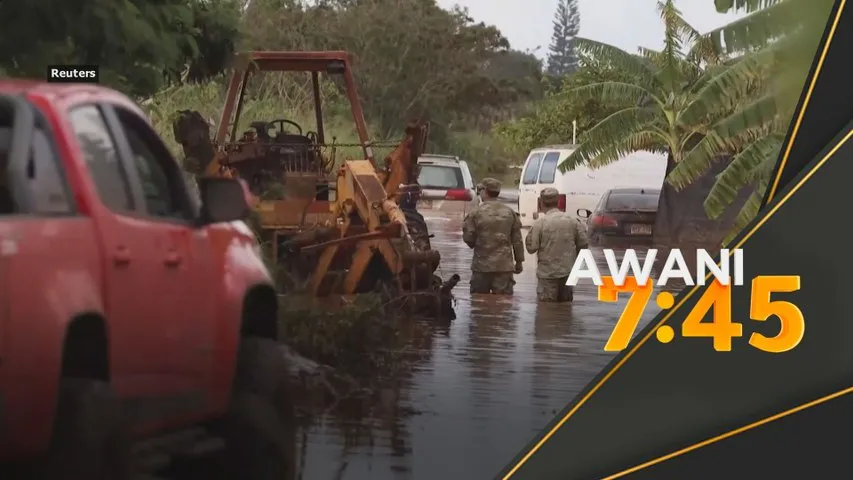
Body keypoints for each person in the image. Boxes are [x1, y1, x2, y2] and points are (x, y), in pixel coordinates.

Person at [525, 187, 589, 302]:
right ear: (558, 201)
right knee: (566, 311)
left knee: (546, 311)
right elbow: (584, 244)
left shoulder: (540, 223)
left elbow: (531, 248)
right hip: (568, 273)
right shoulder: (573, 221)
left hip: (547, 275)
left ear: (541, 202)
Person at [462, 177, 524, 294]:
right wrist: (519, 261)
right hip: (504, 267)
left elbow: (468, 238)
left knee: (478, 301)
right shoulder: (510, 212)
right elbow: (517, 240)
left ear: (484, 191)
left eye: (480, 190)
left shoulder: (475, 213)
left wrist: (477, 243)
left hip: (481, 267)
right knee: (502, 304)